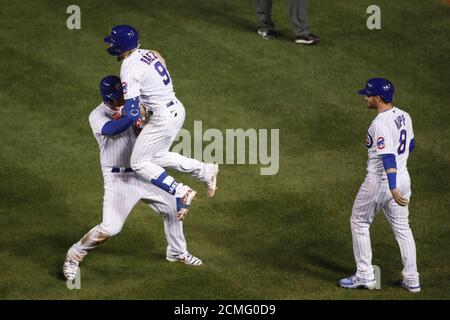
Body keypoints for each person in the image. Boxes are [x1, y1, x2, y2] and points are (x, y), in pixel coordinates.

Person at [63, 76, 202, 281]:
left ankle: (176, 252)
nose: (120, 101)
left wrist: (143, 117)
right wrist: (132, 114)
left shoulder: (137, 105)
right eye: (117, 99)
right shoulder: (98, 114)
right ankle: (74, 255)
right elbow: (111, 129)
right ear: (108, 98)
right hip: (118, 179)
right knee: (111, 228)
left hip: (144, 171)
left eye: (122, 97)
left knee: (173, 207)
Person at [104, 25, 219, 200]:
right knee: (156, 157)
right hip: (176, 110)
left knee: (138, 163)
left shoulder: (129, 67)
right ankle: (205, 170)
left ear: (120, 45)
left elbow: (133, 111)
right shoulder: (147, 53)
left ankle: (182, 191)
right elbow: (160, 58)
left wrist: (121, 111)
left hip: (162, 118)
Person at [338, 78, 420, 293]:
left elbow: (388, 158)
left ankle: (364, 275)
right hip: (404, 178)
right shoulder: (404, 115)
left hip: (383, 181)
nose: (365, 98)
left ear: (378, 98)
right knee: (403, 228)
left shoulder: (380, 123)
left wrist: (392, 187)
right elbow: (410, 144)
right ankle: (412, 279)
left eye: (368, 94)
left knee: (359, 221)